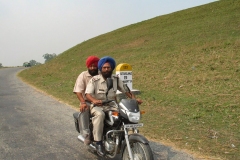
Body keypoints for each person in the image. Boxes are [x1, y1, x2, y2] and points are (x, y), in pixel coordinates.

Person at [85, 56, 142, 156]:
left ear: (112, 68)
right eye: (104, 68)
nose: (107, 69)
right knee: (100, 115)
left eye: (109, 67)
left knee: (124, 114)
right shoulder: (94, 80)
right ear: (101, 69)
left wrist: (134, 99)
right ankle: (98, 143)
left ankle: (123, 137)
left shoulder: (116, 79)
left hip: (112, 105)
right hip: (98, 105)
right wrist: (95, 100)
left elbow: (126, 90)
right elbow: (88, 94)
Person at [73, 55, 100, 145]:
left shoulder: (102, 74)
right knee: (84, 109)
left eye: (94, 66)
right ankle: (87, 133)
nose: (92, 68)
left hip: (102, 101)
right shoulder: (83, 75)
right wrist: (82, 102)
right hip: (88, 101)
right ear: (87, 66)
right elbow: (78, 91)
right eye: (90, 66)